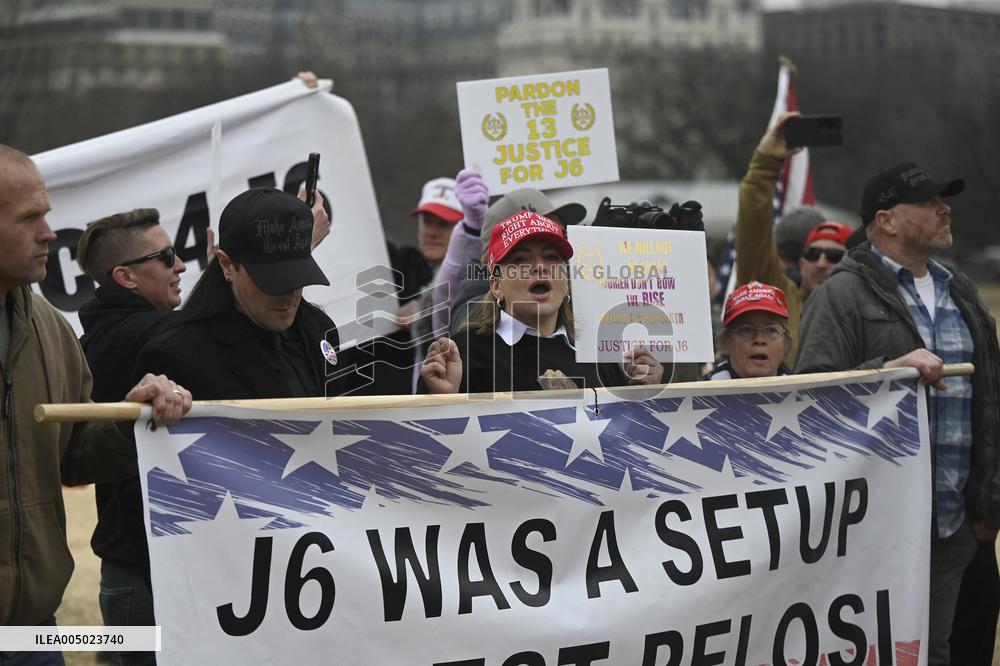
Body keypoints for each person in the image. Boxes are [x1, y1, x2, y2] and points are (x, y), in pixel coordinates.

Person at [795, 161, 1000, 666]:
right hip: (878, 530)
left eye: (942, 199)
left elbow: (991, 400)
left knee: (951, 651)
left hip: (959, 526)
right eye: (930, 202)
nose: (944, 208)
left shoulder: (963, 293)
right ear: (886, 220)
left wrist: (989, 503)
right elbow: (808, 403)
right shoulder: (840, 295)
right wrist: (888, 370)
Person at [0, 145, 191, 659]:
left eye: (47, 215)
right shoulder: (136, 329)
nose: (48, 233)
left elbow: (74, 455)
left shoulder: (50, 330)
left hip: (33, 631)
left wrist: (135, 419)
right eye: (29, 218)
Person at [134, 187, 355, 400]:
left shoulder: (318, 329)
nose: (289, 295)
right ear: (227, 265)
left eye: (298, 277)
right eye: (272, 282)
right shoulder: (178, 356)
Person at [420, 211, 662, 394]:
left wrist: (644, 393)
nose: (539, 266)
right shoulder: (463, 353)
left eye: (551, 257)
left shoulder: (600, 354)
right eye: (521, 260)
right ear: (496, 286)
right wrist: (441, 399)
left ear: (566, 281)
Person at [736, 110, 853, 363]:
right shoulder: (779, 303)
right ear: (802, 264)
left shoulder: (863, 312)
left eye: (834, 256)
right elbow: (753, 234)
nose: (822, 262)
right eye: (812, 254)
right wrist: (765, 164)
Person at [444, 185, 586, 338]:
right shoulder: (474, 295)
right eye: (521, 258)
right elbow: (469, 325)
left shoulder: (564, 280)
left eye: (561, 233)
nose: (540, 265)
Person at [706, 281, 793, 380]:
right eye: (747, 330)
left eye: (772, 330)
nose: (759, 339)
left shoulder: (806, 393)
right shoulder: (697, 394)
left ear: (786, 345)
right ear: (727, 342)